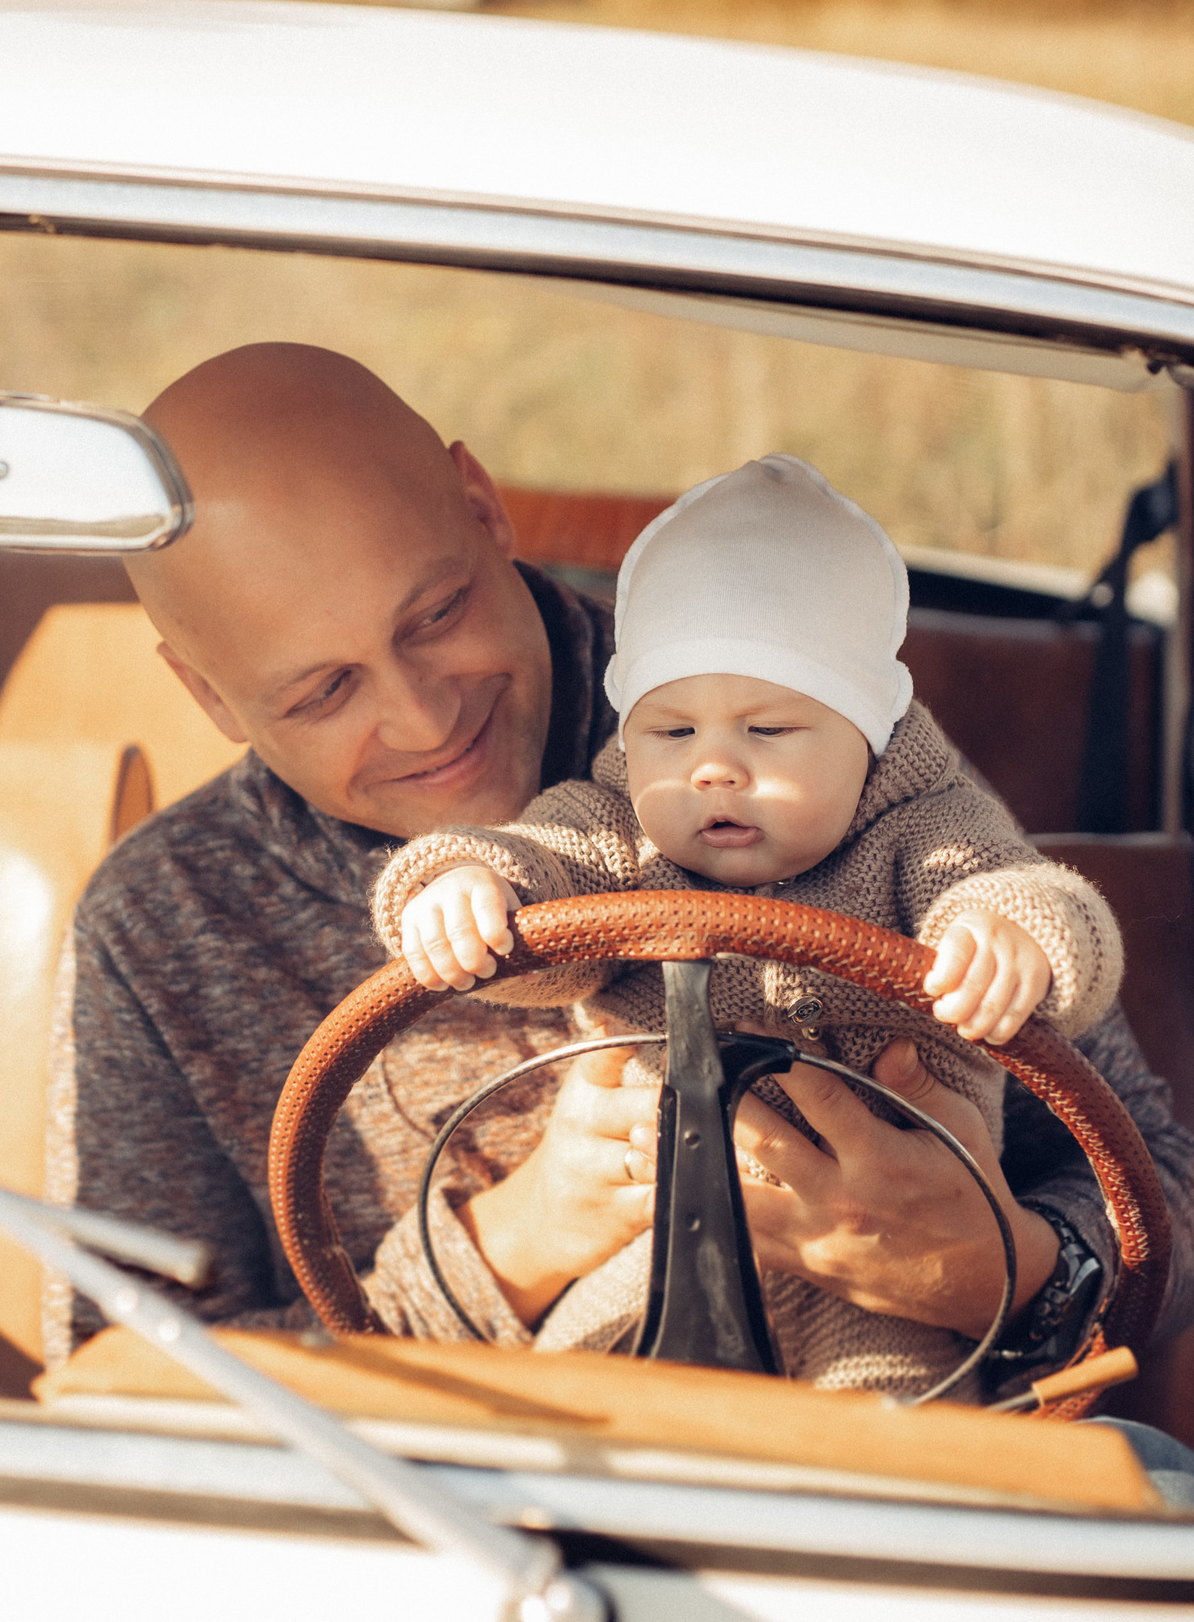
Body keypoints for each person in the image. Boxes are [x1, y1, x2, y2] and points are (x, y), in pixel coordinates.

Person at [46, 341, 1194, 1391]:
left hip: (876, 1453)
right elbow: (130, 1380)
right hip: (460, 1515)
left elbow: (1171, 1209)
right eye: (322, 691)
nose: (420, 718)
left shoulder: (790, 717)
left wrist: (997, 1267)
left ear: (481, 505)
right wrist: (512, 1247)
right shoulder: (161, 924)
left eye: (436, 613)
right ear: (205, 695)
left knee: (1170, 1499)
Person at [374, 454, 1122, 1396]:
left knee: (883, 1456)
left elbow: (1030, 898)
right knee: (572, 1420)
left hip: (891, 1284)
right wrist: (465, 882)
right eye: (673, 733)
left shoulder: (926, 830)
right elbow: (539, 885)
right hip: (650, 1251)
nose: (713, 769)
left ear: (870, 733)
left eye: (767, 732)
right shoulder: (613, 828)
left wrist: (1019, 942)